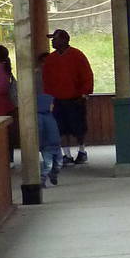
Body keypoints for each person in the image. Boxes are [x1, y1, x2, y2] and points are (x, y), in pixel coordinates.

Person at [41, 29, 94, 165]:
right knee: (61, 129)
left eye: (55, 39)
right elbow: (46, 80)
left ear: (64, 40)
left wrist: (84, 94)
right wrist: (48, 99)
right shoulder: (50, 59)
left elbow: (87, 75)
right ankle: (67, 155)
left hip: (75, 99)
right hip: (57, 100)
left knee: (79, 127)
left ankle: (82, 151)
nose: (52, 41)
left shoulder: (77, 55)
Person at [36, 90, 62, 186]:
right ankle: (42, 180)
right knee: (48, 165)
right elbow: (40, 131)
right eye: (51, 104)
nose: (53, 106)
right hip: (47, 146)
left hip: (56, 144)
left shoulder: (51, 116)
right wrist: (40, 144)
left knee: (59, 163)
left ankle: (53, 174)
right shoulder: (40, 118)